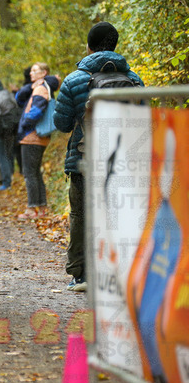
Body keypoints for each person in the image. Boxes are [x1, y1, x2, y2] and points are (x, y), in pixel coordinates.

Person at [54, 21, 143, 292]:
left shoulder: (74, 80)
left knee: (80, 215)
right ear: (115, 45)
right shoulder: (134, 79)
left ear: (89, 47)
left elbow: (62, 124)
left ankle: (80, 275)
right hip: (123, 160)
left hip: (85, 158)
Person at [15, 62, 59, 219]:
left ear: (44, 72)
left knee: (30, 174)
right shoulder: (40, 87)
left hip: (32, 137)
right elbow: (19, 98)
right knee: (35, 172)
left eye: (35, 71)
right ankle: (41, 208)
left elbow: (37, 111)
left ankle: (32, 209)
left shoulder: (41, 89)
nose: (31, 73)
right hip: (36, 137)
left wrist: (25, 123)